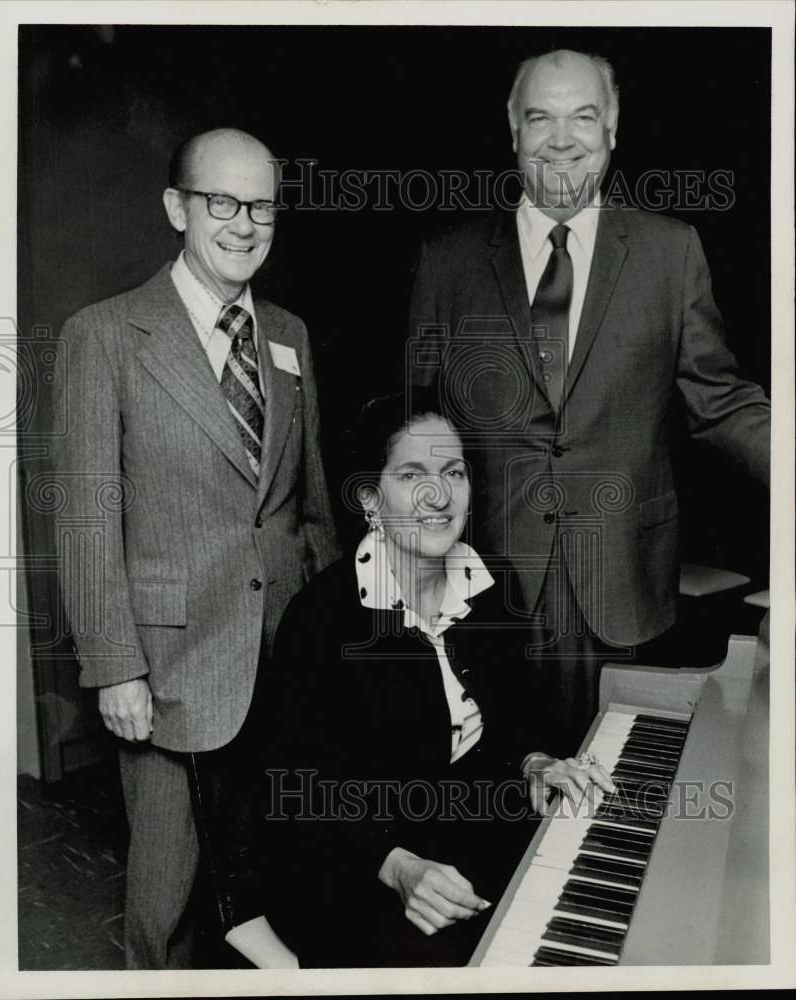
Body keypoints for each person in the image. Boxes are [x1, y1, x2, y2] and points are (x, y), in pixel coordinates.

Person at [408, 49, 771, 755]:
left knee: (617, 790)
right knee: (500, 793)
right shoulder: (446, 261)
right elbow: (419, 426)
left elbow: (721, 401)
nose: (562, 137)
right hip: (489, 586)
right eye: (541, 117)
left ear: (612, 131)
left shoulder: (671, 252)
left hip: (626, 585)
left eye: (584, 116)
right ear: (513, 130)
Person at [52, 127, 339, 968]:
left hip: (284, 653)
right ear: (178, 207)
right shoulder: (104, 335)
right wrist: (114, 666)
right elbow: (85, 517)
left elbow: (310, 504)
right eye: (223, 202)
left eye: (263, 207)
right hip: (171, 669)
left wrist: (328, 633)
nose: (245, 223)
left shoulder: (289, 334)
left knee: (276, 884)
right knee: (170, 901)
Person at [229, 388, 615, 968]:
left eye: (454, 473)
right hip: (353, 861)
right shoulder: (323, 617)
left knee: (589, 884)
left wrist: (534, 762)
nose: (440, 495)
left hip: (470, 829)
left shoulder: (493, 584)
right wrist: (398, 865)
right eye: (413, 475)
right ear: (370, 500)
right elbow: (300, 789)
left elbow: (519, 722)